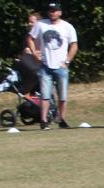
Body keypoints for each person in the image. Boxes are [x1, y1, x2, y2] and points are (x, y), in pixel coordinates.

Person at [31, 1, 78, 130]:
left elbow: (74, 44)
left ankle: (61, 119)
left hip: (61, 66)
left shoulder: (67, 27)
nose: (53, 13)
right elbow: (30, 38)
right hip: (45, 65)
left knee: (62, 96)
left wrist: (67, 61)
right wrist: (35, 53)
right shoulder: (41, 25)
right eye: (51, 11)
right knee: (45, 95)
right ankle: (44, 121)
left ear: (60, 12)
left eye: (55, 11)